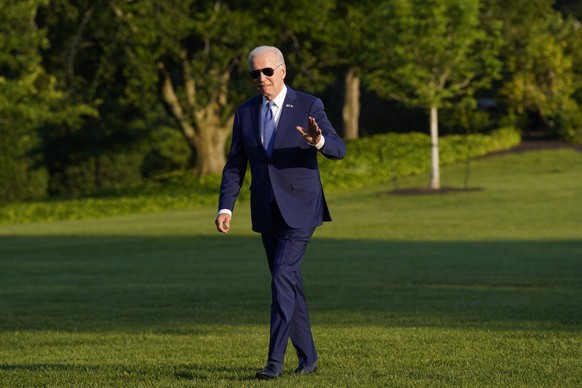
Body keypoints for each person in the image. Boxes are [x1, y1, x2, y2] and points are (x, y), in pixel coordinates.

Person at [215, 45, 346, 380]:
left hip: (301, 208)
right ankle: (309, 360)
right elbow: (235, 164)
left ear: (282, 71)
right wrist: (226, 206)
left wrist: (318, 142)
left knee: (282, 277)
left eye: (267, 71)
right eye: (254, 74)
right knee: (289, 283)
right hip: (266, 210)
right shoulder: (244, 112)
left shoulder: (308, 104)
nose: (261, 79)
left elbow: (338, 149)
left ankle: (274, 363)